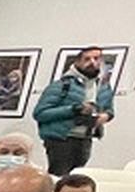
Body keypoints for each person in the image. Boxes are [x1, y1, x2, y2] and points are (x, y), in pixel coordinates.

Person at [34, 46, 116, 175]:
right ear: (77, 62)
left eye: (96, 58)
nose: (92, 62)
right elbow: (40, 113)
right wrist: (74, 110)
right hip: (61, 139)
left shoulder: (103, 87)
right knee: (59, 177)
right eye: (87, 59)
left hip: (85, 138)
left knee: (76, 177)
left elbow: (109, 110)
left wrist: (105, 116)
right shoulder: (62, 85)